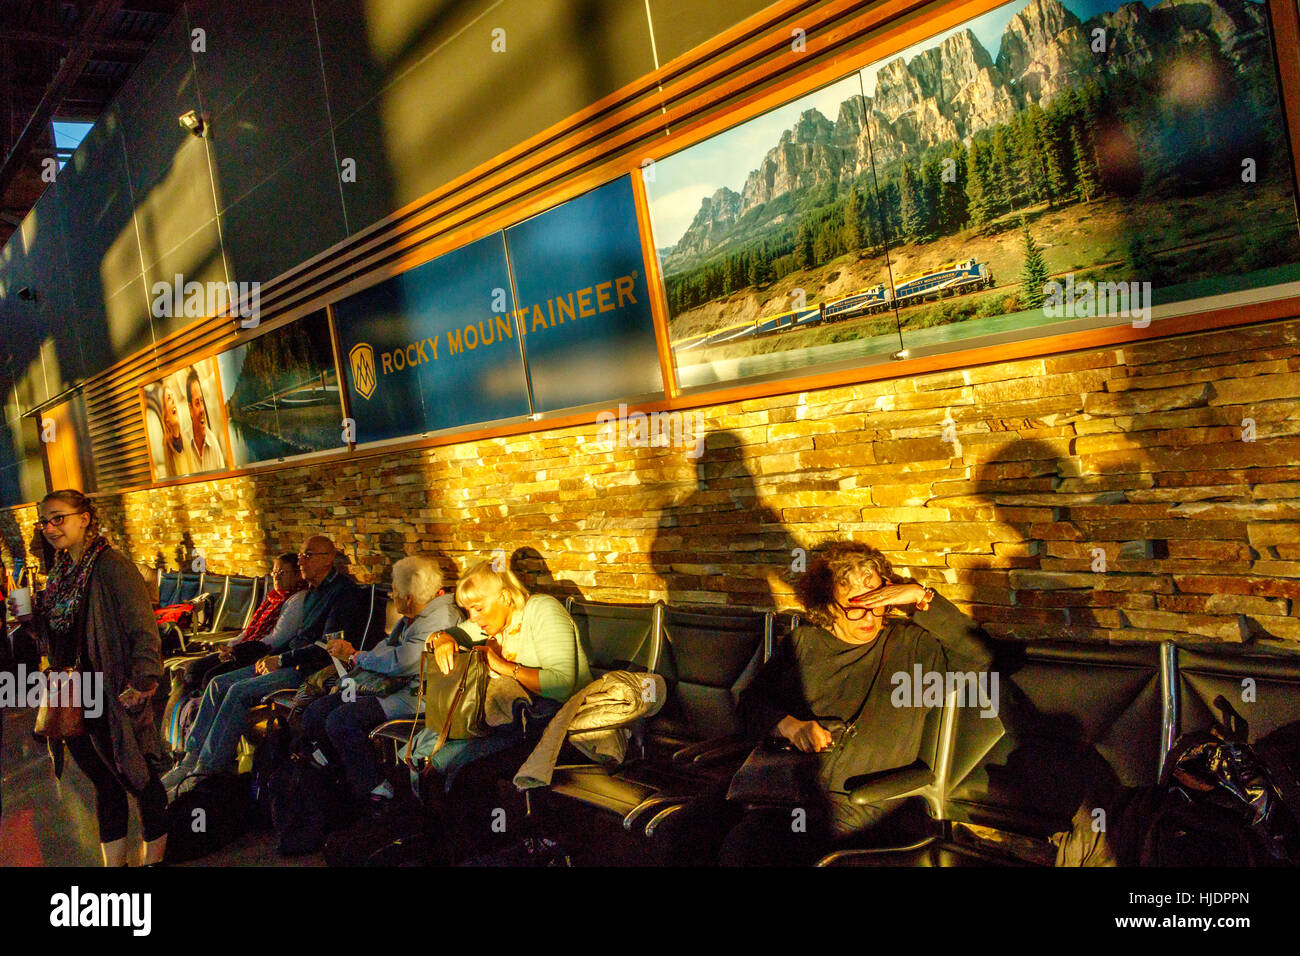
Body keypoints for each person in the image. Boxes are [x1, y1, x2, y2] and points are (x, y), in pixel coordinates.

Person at [656, 540, 994, 866]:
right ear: (826, 605)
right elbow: (751, 704)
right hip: (778, 784)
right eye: (854, 605)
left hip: (853, 801)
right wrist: (790, 726)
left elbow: (982, 656)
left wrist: (921, 597)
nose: (869, 616)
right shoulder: (804, 643)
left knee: (747, 849)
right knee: (680, 831)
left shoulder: (912, 647)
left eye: (877, 601)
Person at [6, 490, 167, 865]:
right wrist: (31, 622)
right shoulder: (62, 570)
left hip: (111, 689)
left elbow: (144, 628)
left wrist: (144, 681)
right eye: (44, 521)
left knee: (138, 778)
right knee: (103, 781)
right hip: (73, 691)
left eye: (58, 518)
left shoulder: (112, 567)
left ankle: (154, 860)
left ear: (85, 518)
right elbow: (58, 635)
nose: (49, 527)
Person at [162, 535, 366, 791]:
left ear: (328, 560)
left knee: (238, 691)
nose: (301, 561)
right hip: (290, 660)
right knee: (216, 683)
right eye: (301, 555)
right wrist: (268, 657)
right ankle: (188, 761)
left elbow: (327, 648)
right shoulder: (313, 591)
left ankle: (204, 773)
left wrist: (280, 659)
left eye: (307, 555)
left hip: (310, 671)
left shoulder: (342, 594)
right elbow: (295, 639)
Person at [301, 555, 461, 813]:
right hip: (392, 687)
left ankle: (377, 791)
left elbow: (402, 661)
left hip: (416, 697)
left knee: (340, 720)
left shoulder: (439, 617)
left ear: (409, 596)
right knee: (315, 713)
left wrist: (355, 656)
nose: (392, 595)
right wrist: (355, 662)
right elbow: (385, 649)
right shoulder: (417, 612)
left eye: (395, 590)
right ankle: (342, 781)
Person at [164, 553, 307, 721]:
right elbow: (249, 631)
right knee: (192, 670)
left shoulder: (297, 599)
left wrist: (236, 649)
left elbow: (277, 638)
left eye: (282, 573)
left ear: (298, 575)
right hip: (243, 649)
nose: (276, 577)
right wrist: (231, 645)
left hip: (259, 654)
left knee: (211, 678)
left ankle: (198, 723)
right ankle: (182, 719)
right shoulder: (273, 598)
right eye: (274, 572)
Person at [185, 368, 226, 473]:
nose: (202, 409)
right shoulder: (184, 445)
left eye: (202, 401)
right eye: (197, 403)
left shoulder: (214, 444)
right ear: (190, 409)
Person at [159, 385, 194, 478]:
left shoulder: (186, 441)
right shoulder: (166, 448)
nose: (173, 400)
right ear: (165, 416)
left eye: (173, 396)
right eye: (169, 398)